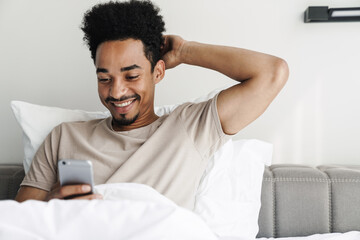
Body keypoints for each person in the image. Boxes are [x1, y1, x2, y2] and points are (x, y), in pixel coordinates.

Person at [15, 0, 288, 210]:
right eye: (104, 78)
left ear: (157, 72)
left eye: (131, 76)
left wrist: (184, 51)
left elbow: (272, 73)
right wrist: (53, 203)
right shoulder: (64, 136)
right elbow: (20, 221)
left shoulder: (191, 127)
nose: (117, 91)